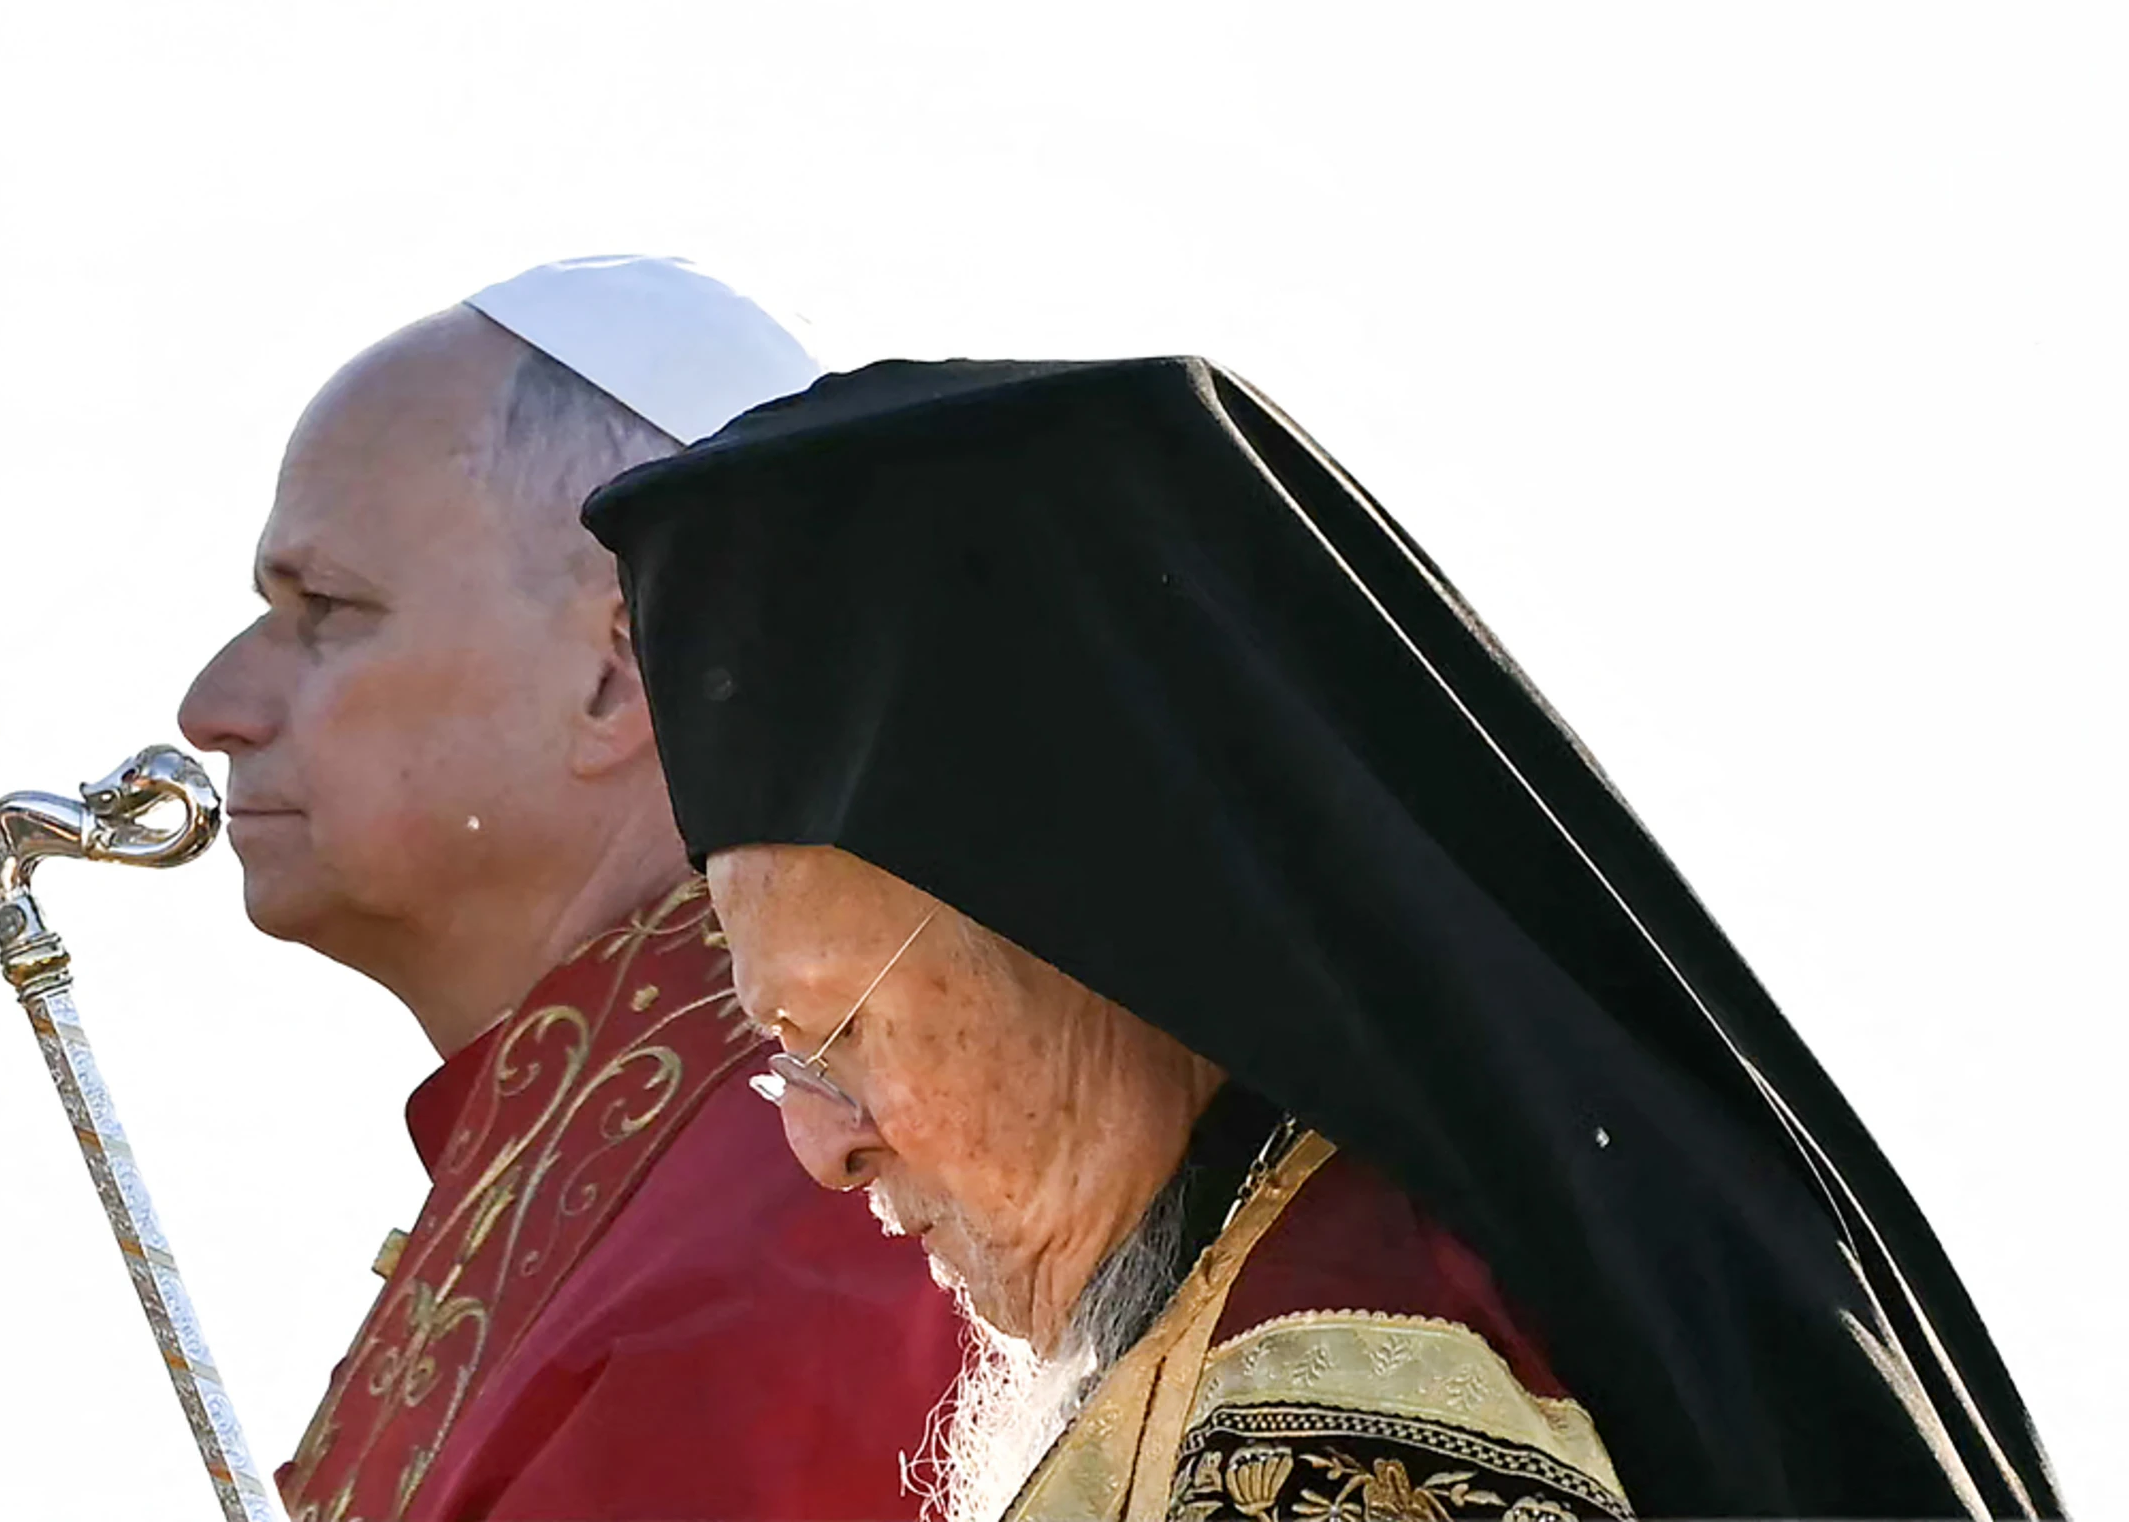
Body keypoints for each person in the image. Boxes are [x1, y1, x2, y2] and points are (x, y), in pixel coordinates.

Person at [583, 355, 2062, 1521]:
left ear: (1089, 931)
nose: (819, 1144)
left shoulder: (1336, 1398)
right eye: (784, 1054)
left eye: (840, 1027)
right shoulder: (1262, 1306)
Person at [177, 257, 962, 1522]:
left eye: (323, 609)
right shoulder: (650, 1185)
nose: (213, 709)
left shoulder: (820, 1217)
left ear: (616, 667)